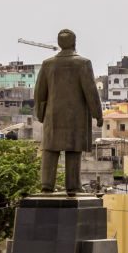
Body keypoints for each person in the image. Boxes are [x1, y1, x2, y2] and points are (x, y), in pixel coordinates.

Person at [33, 29, 104, 196]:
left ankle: (46, 185)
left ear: (58, 44)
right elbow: (91, 92)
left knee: (50, 150)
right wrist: (98, 114)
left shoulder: (48, 64)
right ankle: (72, 186)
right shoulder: (82, 63)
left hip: (53, 116)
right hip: (76, 116)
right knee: (73, 149)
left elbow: (39, 92)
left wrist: (41, 114)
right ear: (74, 42)